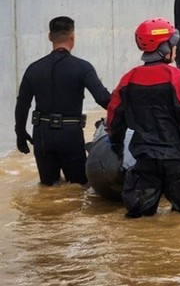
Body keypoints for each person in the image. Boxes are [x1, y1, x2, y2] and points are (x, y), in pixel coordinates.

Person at [106, 18, 180, 218]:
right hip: (177, 163)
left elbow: (114, 117)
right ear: (164, 48)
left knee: (140, 219)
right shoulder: (178, 79)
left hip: (145, 160)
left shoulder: (128, 79)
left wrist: (115, 143)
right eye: (172, 44)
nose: (174, 48)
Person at [14, 16, 111, 186]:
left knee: (49, 189)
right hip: (70, 135)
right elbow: (103, 98)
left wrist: (20, 133)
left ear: (50, 37)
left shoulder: (34, 68)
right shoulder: (83, 67)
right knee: (79, 189)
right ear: (72, 37)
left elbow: (22, 105)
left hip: (42, 135)